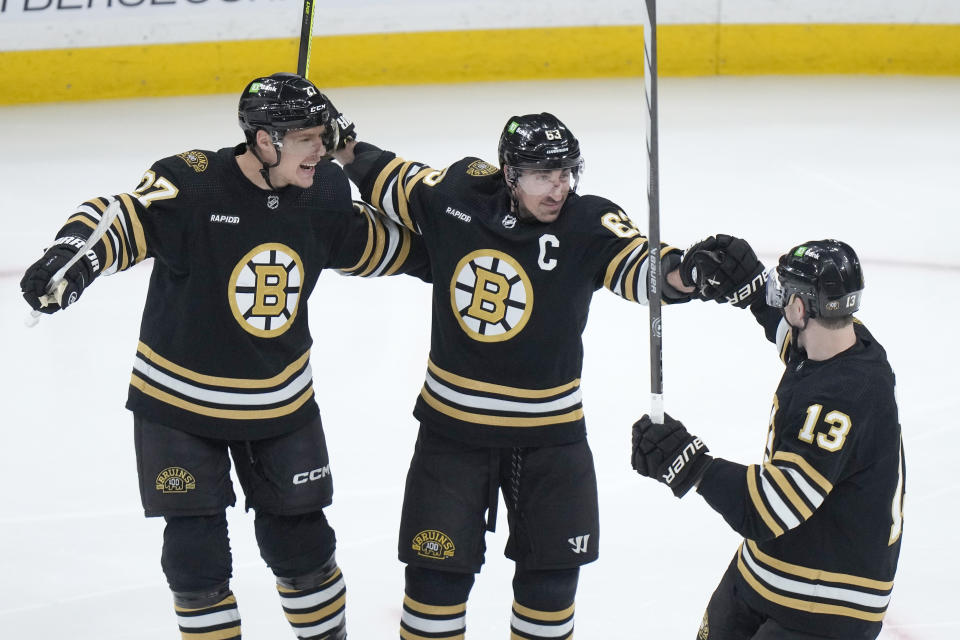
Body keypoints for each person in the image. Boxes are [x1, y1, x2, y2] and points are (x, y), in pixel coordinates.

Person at [19, 72, 430, 640]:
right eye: (307, 137)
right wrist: (73, 256)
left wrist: (465, 250)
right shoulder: (192, 184)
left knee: (303, 546)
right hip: (178, 404)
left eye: (323, 135)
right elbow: (120, 215)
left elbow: (387, 247)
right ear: (264, 140)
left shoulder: (324, 195)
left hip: (279, 403)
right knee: (195, 559)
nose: (321, 148)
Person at [331, 112, 761, 639]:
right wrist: (343, 148)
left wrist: (689, 272)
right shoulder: (458, 193)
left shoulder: (588, 223)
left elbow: (641, 267)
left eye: (565, 174)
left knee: (551, 591)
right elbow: (392, 178)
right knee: (433, 588)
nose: (557, 189)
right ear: (509, 174)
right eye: (542, 176)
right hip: (452, 435)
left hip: (550, 441)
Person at [631, 239, 905, 639]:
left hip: (827, 604)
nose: (779, 300)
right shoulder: (846, 345)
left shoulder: (839, 402)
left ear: (799, 308)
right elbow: (790, 333)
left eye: (784, 293)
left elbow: (770, 509)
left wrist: (690, 465)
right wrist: (751, 287)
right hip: (765, 573)